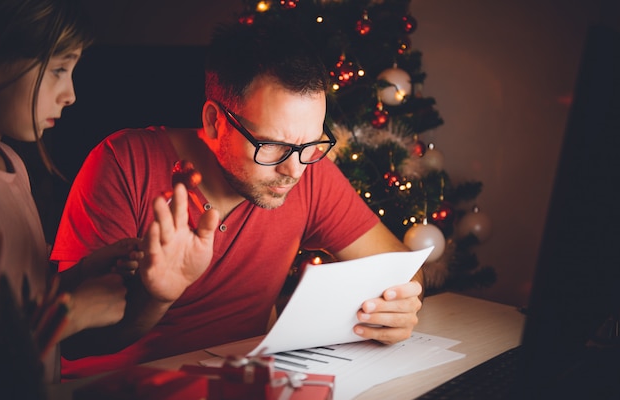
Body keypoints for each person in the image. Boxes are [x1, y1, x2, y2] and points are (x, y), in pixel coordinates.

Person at [50, 20, 426, 380]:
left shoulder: (308, 170)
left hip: (234, 389)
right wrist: (154, 299)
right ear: (215, 122)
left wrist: (398, 305)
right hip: (113, 394)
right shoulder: (123, 162)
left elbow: (403, 269)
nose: (294, 170)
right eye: (274, 146)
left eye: (311, 144)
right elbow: (75, 342)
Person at [0, 0, 142, 395]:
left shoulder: (11, 166)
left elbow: (19, 294)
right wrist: (72, 314)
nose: (71, 94)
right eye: (59, 69)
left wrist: (80, 274)